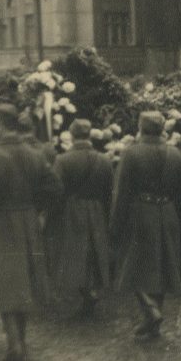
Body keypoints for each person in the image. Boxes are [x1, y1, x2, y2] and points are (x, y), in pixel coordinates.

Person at [0, 104, 62, 361]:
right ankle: (21, 339)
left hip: (1, 225)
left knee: (4, 282)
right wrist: (36, 208)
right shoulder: (35, 153)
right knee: (24, 282)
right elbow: (55, 187)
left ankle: (14, 344)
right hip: (28, 222)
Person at [110, 111, 181, 340]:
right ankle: (154, 323)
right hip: (167, 213)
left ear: (141, 128)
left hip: (141, 214)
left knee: (132, 264)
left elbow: (121, 192)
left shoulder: (131, 154)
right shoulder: (175, 155)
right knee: (162, 266)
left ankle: (150, 310)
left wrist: (115, 224)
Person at [51, 119, 113, 319]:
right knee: (94, 252)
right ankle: (90, 292)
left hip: (72, 210)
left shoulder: (62, 160)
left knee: (76, 252)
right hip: (96, 209)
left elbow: (56, 191)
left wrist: (55, 211)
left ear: (72, 134)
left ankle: (86, 293)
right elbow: (109, 190)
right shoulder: (104, 160)